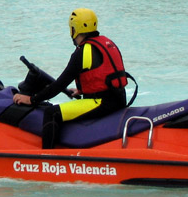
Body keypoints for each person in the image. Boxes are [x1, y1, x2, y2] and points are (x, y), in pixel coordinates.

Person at [12, 8, 129, 149]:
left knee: (52, 113)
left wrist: (32, 99)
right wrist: (82, 90)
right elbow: (104, 74)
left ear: (74, 30)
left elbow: (59, 85)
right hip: (119, 99)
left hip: (102, 103)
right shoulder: (107, 43)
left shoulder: (83, 52)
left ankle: (47, 158)